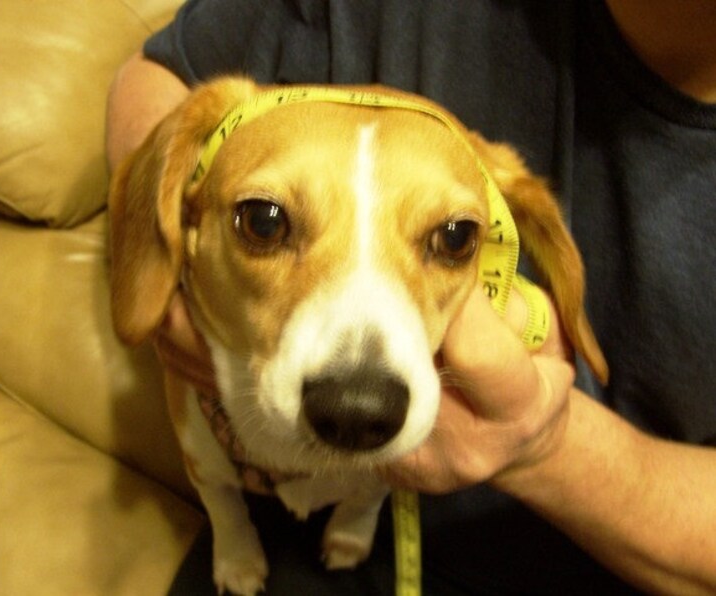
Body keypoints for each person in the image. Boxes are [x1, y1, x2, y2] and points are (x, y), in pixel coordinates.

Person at [105, 1, 716, 593]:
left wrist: (545, 448)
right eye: (265, 222)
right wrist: (161, 262)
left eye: (450, 239)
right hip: (260, 458)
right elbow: (156, 75)